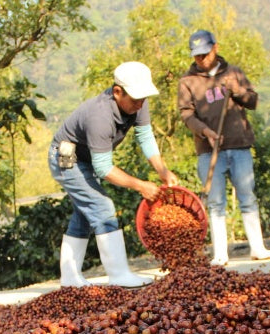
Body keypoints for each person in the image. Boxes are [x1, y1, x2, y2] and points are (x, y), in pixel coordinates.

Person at [48, 61, 178, 287]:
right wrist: (140, 185)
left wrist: (163, 171)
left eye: (143, 99)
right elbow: (104, 168)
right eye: (135, 100)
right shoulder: (99, 116)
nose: (140, 104)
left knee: (84, 213)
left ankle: (69, 278)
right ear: (117, 92)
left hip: (88, 159)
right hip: (68, 158)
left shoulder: (138, 100)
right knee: (102, 207)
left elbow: (145, 136)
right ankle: (119, 274)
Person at [177, 29, 270, 266]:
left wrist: (238, 91)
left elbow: (253, 101)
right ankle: (220, 253)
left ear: (215, 48)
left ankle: (257, 247)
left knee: (248, 196)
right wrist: (205, 131)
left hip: (239, 144)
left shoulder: (233, 73)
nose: (201, 59)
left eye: (205, 53)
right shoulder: (187, 81)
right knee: (215, 201)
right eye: (197, 55)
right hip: (208, 151)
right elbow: (186, 115)